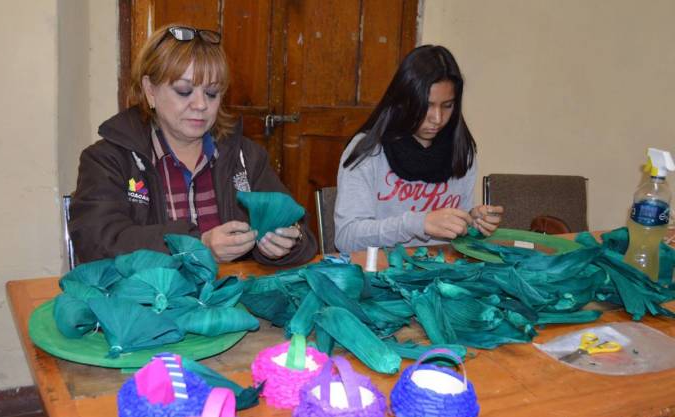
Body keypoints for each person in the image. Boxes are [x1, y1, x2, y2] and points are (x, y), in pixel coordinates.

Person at [69, 24, 317, 265]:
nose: (200, 105)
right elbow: (96, 243)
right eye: (184, 91)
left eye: (211, 93)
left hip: (227, 301)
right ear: (150, 90)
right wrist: (198, 246)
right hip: (147, 303)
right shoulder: (108, 159)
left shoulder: (245, 157)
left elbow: (303, 235)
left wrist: (285, 244)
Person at [334, 45, 503, 253]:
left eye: (447, 105)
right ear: (404, 101)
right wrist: (418, 224)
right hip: (382, 274)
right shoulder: (368, 151)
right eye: (427, 105)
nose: (438, 119)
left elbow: (457, 234)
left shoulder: (462, 150)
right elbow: (346, 238)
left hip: (444, 274)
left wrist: (471, 222)